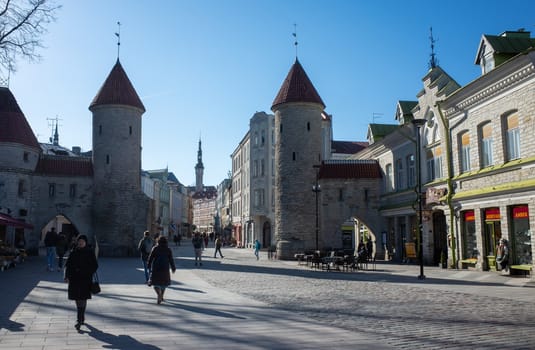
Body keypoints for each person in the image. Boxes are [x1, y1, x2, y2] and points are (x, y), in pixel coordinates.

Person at [64, 234, 98, 330]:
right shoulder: (73, 251)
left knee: (82, 298)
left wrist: (87, 272)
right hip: (74, 279)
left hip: (85, 279)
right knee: (77, 298)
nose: (80, 243)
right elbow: (68, 265)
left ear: (85, 243)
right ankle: (81, 317)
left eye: (82, 242)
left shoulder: (90, 252)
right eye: (79, 242)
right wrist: (66, 276)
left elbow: (95, 266)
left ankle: (79, 319)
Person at [147, 236, 176, 304]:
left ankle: (159, 294)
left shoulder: (155, 248)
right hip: (165, 268)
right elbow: (171, 260)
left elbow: (150, 258)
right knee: (164, 284)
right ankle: (161, 295)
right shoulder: (168, 249)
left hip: (156, 268)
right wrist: (173, 268)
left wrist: (148, 265)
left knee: (155, 283)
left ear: (158, 241)